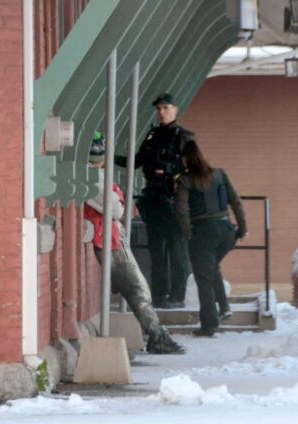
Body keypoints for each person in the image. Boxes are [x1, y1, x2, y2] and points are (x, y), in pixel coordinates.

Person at [84, 132, 186, 354]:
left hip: (110, 236)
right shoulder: (92, 178)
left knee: (137, 288)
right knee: (137, 288)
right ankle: (157, 335)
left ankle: (157, 333)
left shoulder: (97, 177)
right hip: (107, 238)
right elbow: (117, 209)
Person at [115, 93, 193, 309]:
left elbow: (194, 167)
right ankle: (159, 295)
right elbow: (137, 161)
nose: (161, 112)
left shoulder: (183, 136)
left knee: (176, 250)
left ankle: (177, 296)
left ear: (175, 109)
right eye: (159, 108)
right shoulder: (153, 135)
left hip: (174, 201)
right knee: (156, 250)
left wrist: (171, 169)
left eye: (166, 108)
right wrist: (110, 156)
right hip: (155, 201)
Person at [174, 141, 247, 337]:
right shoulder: (220, 174)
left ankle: (209, 324)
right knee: (211, 267)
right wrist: (242, 228)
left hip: (203, 233)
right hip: (226, 231)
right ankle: (224, 307)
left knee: (203, 278)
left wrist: (188, 234)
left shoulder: (185, 180)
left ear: (185, 159)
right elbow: (235, 201)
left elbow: (182, 210)